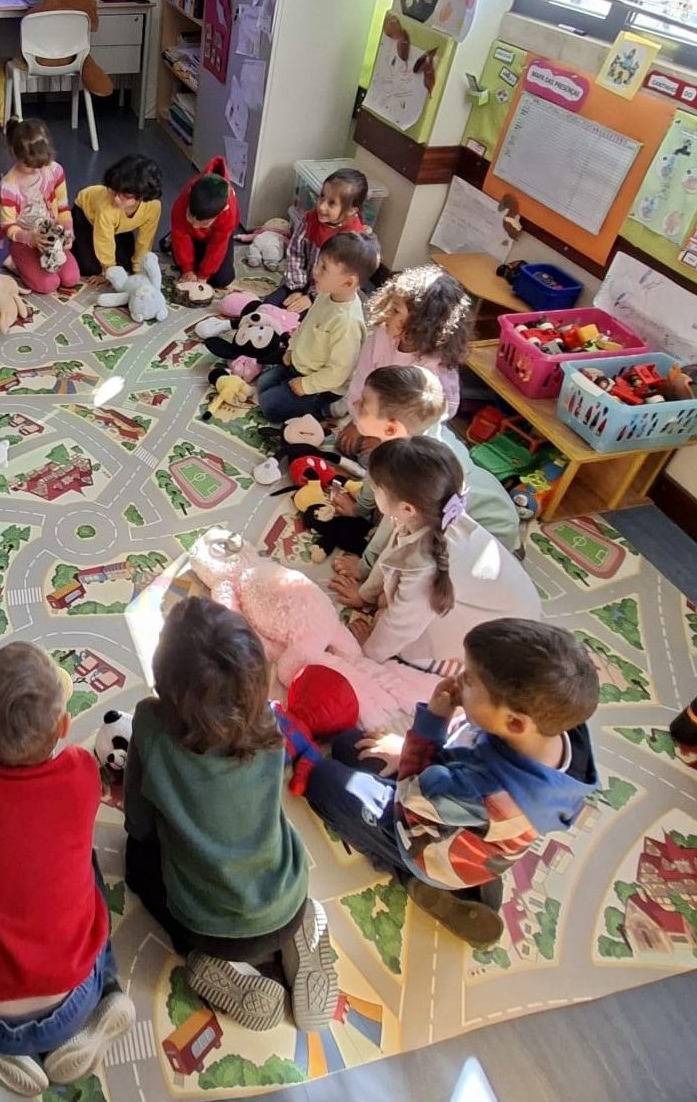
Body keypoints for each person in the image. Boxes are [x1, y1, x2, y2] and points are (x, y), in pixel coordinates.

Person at [305, 618, 600, 944]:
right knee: (349, 745)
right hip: (461, 819)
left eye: (470, 680)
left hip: (426, 836)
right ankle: (474, 876)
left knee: (322, 780)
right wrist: (409, 750)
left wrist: (431, 724)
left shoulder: (488, 794)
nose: (458, 679)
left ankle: (418, 877)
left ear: (514, 723)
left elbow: (413, 795)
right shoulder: (551, 728)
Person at [124, 596, 337, 1033]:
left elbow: (138, 822)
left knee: (136, 860)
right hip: (288, 898)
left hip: (207, 928)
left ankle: (206, 959)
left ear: (166, 679)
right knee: (269, 826)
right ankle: (300, 932)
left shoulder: (150, 724)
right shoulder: (270, 724)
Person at [0, 641, 135, 1098]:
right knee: (86, 868)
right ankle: (107, 993)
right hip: (74, 1000)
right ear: (64, 726)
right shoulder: (82, 773)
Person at [348, 437, 541, 668]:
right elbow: (390, 557)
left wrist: (368, 653)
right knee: (386, 602)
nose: (372, 491)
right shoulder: (431, 514)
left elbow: (401, 625)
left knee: (390, 625)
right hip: (504, 606)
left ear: (407, 508)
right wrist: (365, 596)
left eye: (376, 488)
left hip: (502, 637)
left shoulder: (425, 563)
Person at [328, 366, 521, 593]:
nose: (355, 405)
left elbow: (394, 525)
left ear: (391, 428)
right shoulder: (406, 432)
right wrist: (360, 508)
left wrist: (365, 566)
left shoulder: (414, 469)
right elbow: (375, 471)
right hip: (485, 510)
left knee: (419, 580)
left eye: (363, 405)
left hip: (489, 538)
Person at [257, 231, 379, 424]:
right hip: (301, 365)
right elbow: (305, 325)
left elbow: (338, 373)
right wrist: (291, 348)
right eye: (318, 263)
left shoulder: (347, 322)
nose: (315, 271)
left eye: (324, 268)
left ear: (348, 282)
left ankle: (325, 409)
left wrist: (306, 385)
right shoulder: (325, 294)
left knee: (269, 407)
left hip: (323, 386)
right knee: (263, 384)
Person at [336, 264, 473, 423]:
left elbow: (439, 413)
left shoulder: (433, 368)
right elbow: (361, 379)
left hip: (403, 428)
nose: (386, 313)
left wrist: (383, 432)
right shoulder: (382, 335)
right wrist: (357, 419)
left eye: (395, 311)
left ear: (421, 324)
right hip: (367, 412)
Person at [267, 168, 367, 314]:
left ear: (351, 210)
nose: (321, 206)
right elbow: (295, 252)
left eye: (331, 203)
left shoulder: (352, 239)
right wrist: (297, 288)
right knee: (267, 307)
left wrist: (311, 297)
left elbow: (336, 280)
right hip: (299, 283)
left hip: (326, 295)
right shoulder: (310, 218)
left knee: (296, 321)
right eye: (322, 197)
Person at [0, 118, 80, 294]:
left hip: (51, 237)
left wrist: (67, 232)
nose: (37, 170)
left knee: (71, 278)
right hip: (23, 242)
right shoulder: (8, 187)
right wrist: (30, 238)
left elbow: (63, 208)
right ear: (14, 154)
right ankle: (15, 262)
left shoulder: (55, 170)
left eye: (41, 164)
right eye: (29, 165)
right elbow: (7, 226)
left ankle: (35, 263)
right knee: (48, 285)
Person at [72, 154, 163, 278]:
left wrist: (138, 271)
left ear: (142, 196)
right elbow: (103, 240)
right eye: (114, 190)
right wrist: (108, 270)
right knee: (90, 267)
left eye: (125, 196)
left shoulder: (153, 206)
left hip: (117, 227)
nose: (116, 199)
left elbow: (145, 241)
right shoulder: (106, 207)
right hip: (84, 216)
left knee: (127, 263)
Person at [161, 156, 239, 290]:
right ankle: (171, 238)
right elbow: (181, 237)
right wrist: (187, 270)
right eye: (190, 217)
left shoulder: (228, 212)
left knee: (222, 279)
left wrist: (203, 276)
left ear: (221, 211)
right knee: (184, 264)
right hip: (187, 234)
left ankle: (188, 242)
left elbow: (218, 245)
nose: (195, 225)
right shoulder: (181, 204)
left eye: (202, 223)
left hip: (217, 235)